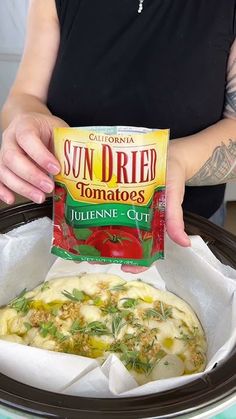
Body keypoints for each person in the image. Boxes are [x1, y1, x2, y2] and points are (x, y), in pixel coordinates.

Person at [0, 0, 236, 249]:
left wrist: (178, 161)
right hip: (70, 222)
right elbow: (25, 97)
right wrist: (25, 122)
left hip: (186, 228)